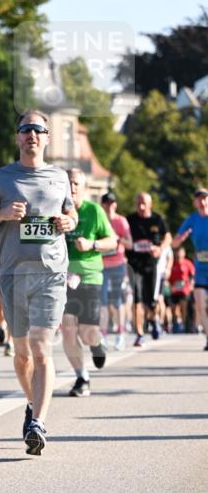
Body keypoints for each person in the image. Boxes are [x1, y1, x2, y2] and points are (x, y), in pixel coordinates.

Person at [0, 110, 77, 455]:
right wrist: (2, 215)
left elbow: (71, 213)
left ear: (47, 137)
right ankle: (32, 404)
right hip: (14, 274)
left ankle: (38, 421)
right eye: (25, 129)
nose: (31, 134)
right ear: (17, 137)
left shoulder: (59, 177)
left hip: (51, 273)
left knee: (42, 348)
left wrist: (67, 221)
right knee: (21, 355)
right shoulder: (2, 178)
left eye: (38, 129)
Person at [62, 170, 117, 397]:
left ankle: (96, 342)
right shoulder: (57, 211)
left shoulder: (94, 211)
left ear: (84, 187)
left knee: (86, 333)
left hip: (90, 277)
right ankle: (81, 377)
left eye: (76, 183)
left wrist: (93, 245)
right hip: (63, 278)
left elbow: (113, 241)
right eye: (68, 183)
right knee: (67, 329)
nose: (72, 187)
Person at [126, 191, 171, 347]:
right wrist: (127, 243)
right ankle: (139, 334)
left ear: (150, 204)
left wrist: (160, 248)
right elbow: (122, 236)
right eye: (139, 203)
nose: (141, 206)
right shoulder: (130, 220)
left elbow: (168, 237)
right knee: (137, 299)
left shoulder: (157, 219)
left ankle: (153, 319)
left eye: (144, 203)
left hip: (152, 265)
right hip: (134, 265)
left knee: (151, 301)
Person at [172, 188, 208, 350]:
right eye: (199, 199)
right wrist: (181, 238)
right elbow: (175, 243)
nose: (202, 202)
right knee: (200, 305)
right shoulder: (191, 220)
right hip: (200, 268)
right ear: (195, 202)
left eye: (205, 198)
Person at [99, 191, 132, 350]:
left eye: (112, 203)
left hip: (118, 265)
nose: (109, 206)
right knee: (103, 301)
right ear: (102, 205)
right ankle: (103, 335)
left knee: (116, 301)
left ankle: (120, 334)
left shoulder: (121, 221)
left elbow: (130, 243)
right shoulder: (99, 219)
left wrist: (116, 239)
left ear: (115, 205)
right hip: (101, 265)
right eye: (106, 203)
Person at [168, 246, 195, 333]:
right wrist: (170, 286)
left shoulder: (188, 263)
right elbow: (168, 277)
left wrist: (191, 285)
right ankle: (175, 324)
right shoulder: (172, 264)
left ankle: (184, 325)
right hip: (174, 290)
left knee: (184, 307)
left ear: (184, 253)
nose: (179, 254)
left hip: (184, 290)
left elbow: (193, 276)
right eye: (177, 252)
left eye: (180, 252)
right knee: (174, 309)